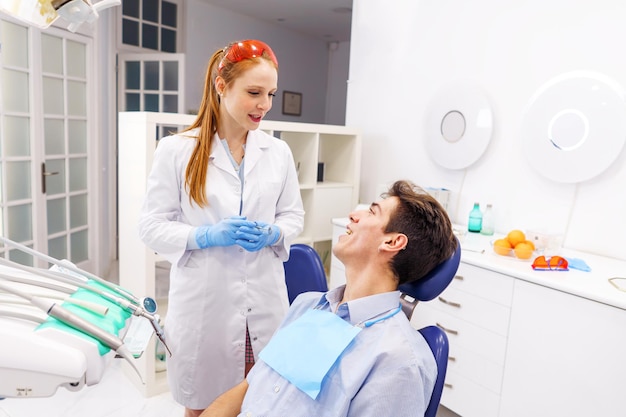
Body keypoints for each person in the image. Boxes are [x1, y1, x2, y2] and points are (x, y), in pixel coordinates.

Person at [137, 39, 305, 417]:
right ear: (221, 85)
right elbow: (150, 226)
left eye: (271, 94)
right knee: (203, 409)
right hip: (205, 308)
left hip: (264, 303)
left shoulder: (277, 153)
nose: (264, 105)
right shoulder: (177, 150)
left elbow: (293, 216)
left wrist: (274, 234)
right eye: (254, 92)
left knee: (261, 402)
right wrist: (204, 235)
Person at [200, 179, 458, 417]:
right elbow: (250, 386)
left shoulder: (398, 359)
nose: (353, 215)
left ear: (392, 242)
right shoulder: (307, 306)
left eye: (371, 212)